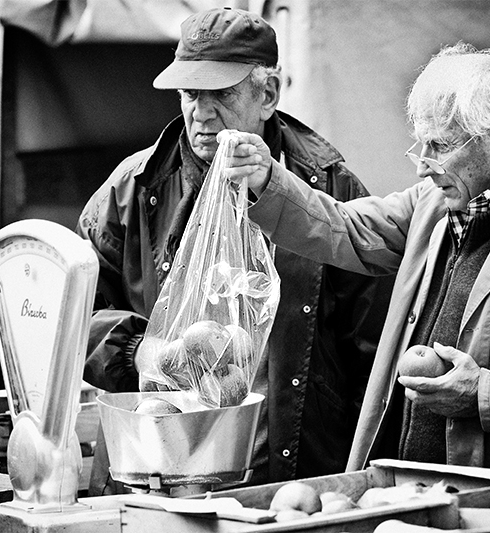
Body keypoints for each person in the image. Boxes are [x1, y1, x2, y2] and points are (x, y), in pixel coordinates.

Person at [219, 43, 490, 473]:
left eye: (440, 145)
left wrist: (484, 391)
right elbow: (346, 228)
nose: (423, 166)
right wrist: (267, 178)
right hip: (404, 485)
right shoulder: (436, 200)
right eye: (421, 144)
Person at [76, 7, 388, 494]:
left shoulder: (330, 191)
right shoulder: (133, 190)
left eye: (219, 93)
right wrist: (143, 353)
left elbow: (374, 346)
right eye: (188, 93)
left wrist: (356, 482)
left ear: (267, 94)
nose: (200, 113)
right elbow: (76, 312)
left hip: (289, 479)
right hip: (157, 471)